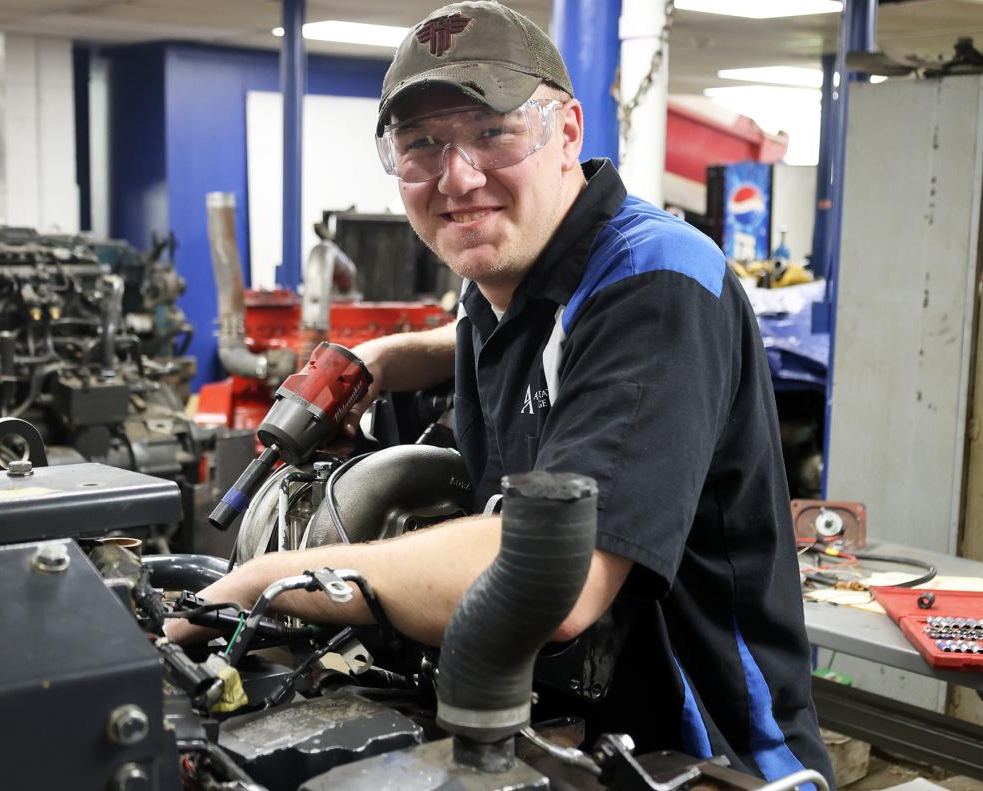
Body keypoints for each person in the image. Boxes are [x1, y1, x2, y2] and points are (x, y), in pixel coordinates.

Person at [169, 1, 833, 785]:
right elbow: (529, 366)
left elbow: (557, 577)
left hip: (708, 758)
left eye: (494, 132)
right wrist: (387, 357)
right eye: (421, 145)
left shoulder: (657, 282)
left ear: (569, 133)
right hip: (558, 735)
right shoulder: (495, 290)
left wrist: (275, 579)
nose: (458, 175)